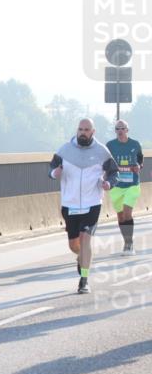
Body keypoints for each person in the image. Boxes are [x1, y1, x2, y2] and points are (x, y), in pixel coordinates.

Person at [50, 118, 119, 294]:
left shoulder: (101, 151)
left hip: (92, 202)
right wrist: (54, 173)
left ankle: (84, 280)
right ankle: (81, 258)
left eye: (86, 129)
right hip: (69, 203)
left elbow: (113, 172)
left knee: (86, 238)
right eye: (80, 129)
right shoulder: (64, 150)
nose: (83, 132)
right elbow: (51, 168)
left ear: (93, 132)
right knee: (74, 245)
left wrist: (108, 184)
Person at [106, 119, 143, 255]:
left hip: (132, 184)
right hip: (116, 185)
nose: (120, 131)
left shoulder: (135, 144)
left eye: (122, 128)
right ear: (115, 131)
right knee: (121, 217)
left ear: (127, 130)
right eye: (117, 129)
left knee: (127, 213)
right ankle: (126, 241)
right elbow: (105, 161)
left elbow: (140, 159)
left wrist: (138, 166)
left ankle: (129, 244)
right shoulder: (110, 145)